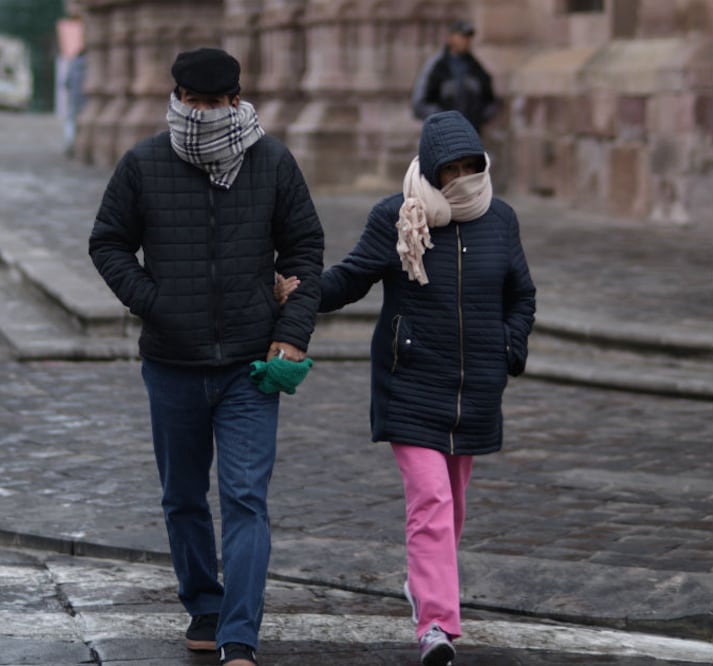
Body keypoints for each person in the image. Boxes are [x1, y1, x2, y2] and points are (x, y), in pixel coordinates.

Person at [89, 47, 325, 666]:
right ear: (177, 99)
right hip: (171, 362)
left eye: (215, 104)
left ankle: (239, 635)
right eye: (192, 102)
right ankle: (206, 605)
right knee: (183, 497)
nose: (204, 115)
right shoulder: (143, 162)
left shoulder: (272, 161)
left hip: (251, 366)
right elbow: (108, 242)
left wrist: (293, 330)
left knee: (246, 498)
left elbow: (304, 252)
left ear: (236, 100)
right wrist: (155, 301)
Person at [282, 110, 535, 666]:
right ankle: (437, 626)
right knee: (432, 502)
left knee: (454, 507)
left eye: (473, 165)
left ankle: (422, 586)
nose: (464, 177)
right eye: (453, 168)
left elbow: (522, 296)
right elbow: (349, 280)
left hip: (476, 390)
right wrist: (297, 292)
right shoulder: (398, 217)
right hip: (411, 384)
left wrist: (509, 347)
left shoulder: (501, 220)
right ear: (433, 169)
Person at [411, 19, 498, 134]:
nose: (466, 41)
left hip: (470, 135)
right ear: (451, 37)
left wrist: (477, 119)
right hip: (442, 135)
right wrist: (443, 120)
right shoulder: (436, 66)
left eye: (468, 37)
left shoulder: (476, 68)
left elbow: (490, 101)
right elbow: (419, 103)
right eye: (462, 36)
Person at [62, 48, 87, 157]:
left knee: (71, 122)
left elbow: (66, 83)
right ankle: (82, 146)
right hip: (87, 100)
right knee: (84, 124)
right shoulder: (91, 66)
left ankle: (70, 144)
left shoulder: (73, 65)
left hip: (73, 99)